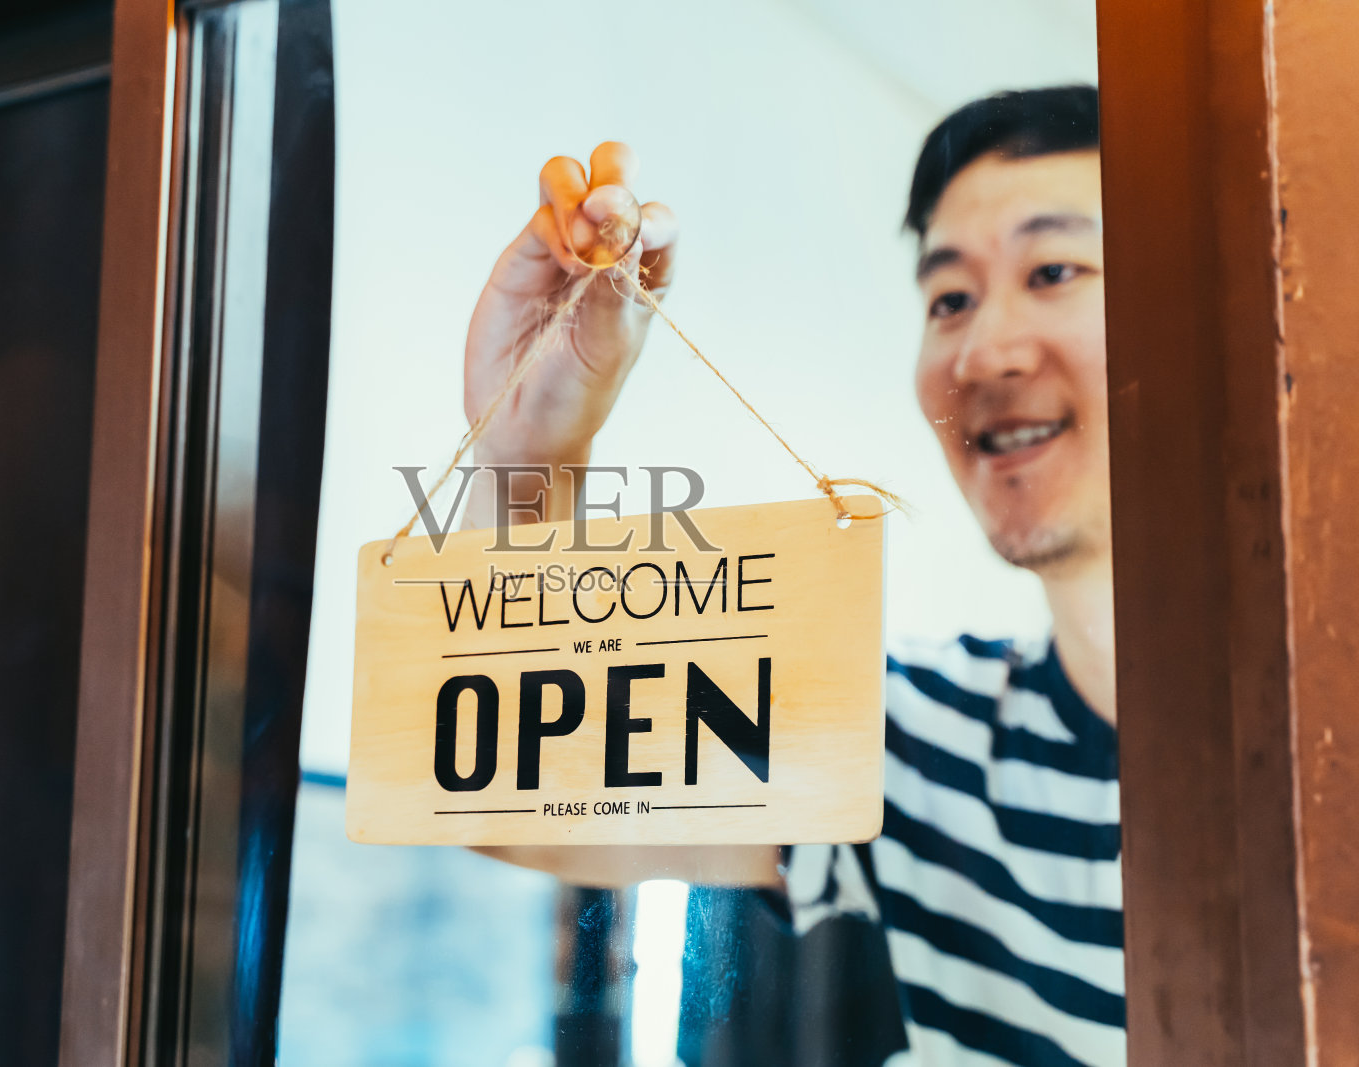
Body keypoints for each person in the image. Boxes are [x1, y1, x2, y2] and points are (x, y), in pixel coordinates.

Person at [459, 85, 1121, 1066]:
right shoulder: (911, 738)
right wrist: (528, 445)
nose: (983, 350)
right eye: (948, 298)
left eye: (1054, 269)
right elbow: (518, 790)